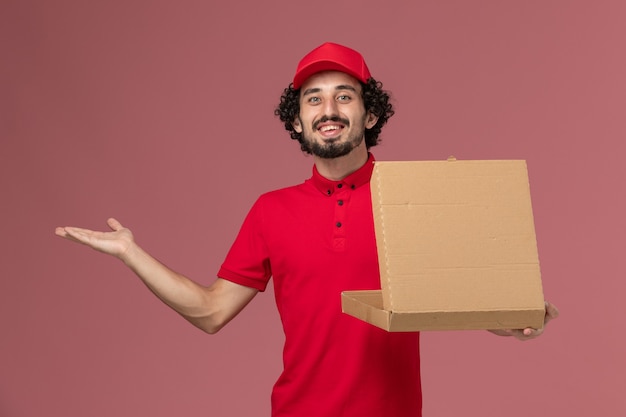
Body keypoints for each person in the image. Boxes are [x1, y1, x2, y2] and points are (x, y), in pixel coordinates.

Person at [55, 42, 559, 417]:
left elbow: (457, 299)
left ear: (370, 112)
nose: (329, 110)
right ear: (297, 121)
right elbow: (211, 312)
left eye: (344, 96)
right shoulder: (270, 211)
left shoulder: (411, 198)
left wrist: (511, 318)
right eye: (313, 100)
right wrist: (130, 253)